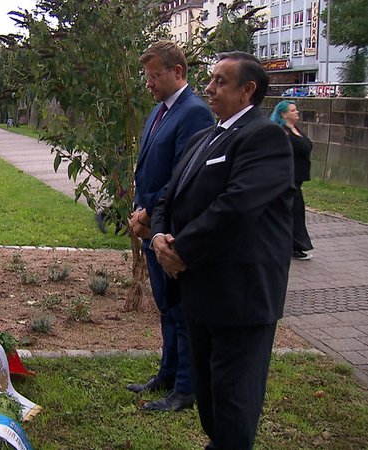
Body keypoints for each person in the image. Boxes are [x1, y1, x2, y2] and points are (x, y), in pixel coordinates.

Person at [150, 51, 294, 449]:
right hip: (199, 290)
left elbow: (237, 205)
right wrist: (160, 236)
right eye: (210, 80)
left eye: (220, 82)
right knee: (210, 397)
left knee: (233, 400)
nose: (209, 89)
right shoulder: (206, 136)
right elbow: (168, 195)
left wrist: (182, 249)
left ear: (248, 90)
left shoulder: (265, 138)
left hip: (239, 296)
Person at [126, 40, 214, 412]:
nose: (149, 83)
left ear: (178, 72)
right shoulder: (159, 111)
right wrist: (137, 209)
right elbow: (149, 166)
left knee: (180, 312)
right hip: (150, 226)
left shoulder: (194, 112)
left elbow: (183, 172)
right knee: (165, 308)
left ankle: (185, 388)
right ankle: (166, 373)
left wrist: (148, 213)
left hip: (171, 229)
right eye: (146, 76)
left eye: (155, 75)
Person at [271, 100, 314, 260]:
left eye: (296, 110)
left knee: (296, 212)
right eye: (293, 110)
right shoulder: (281, 132)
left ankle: (294, 245)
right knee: (292, 212)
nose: (297, 112)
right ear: (283, 114)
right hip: (287, 180)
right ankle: (295, 246)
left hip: (298, 179)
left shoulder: (295, 130)